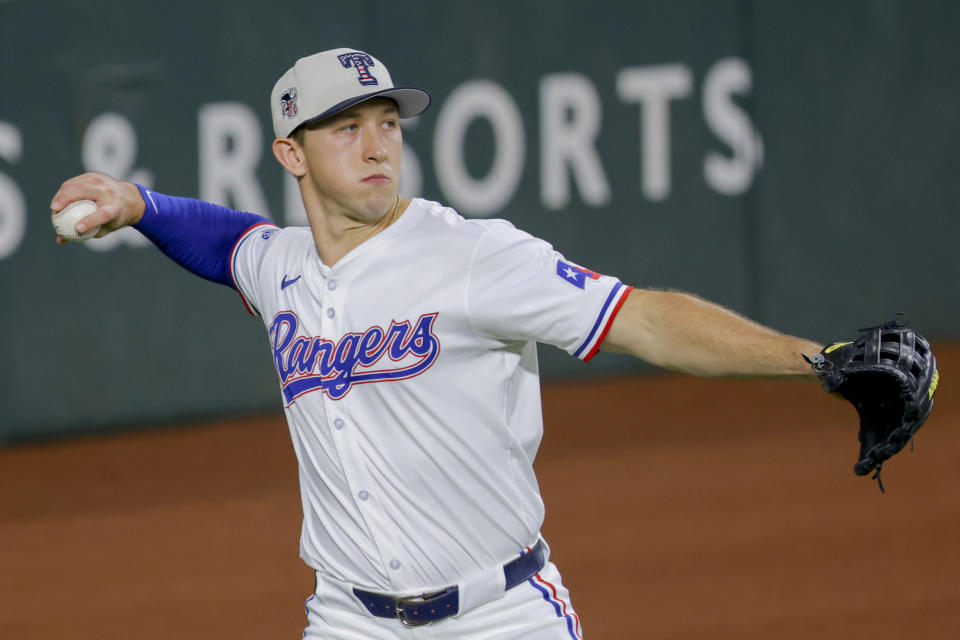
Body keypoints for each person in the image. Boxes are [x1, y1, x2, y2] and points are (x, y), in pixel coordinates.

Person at [51, 48, 823, 639]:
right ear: (292, 154)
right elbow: (227, 242)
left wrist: (814, 361)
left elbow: (644, 318)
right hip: (350, 619)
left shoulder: (473, 254)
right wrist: (139, 204)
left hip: (503, 615)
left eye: (387, 123)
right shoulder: (279, 267)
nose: (378, 145)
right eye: (347, 128)